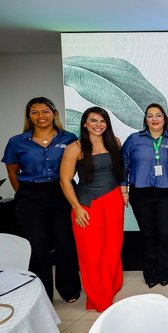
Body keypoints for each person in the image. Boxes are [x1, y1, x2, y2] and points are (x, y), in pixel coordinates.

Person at [2, 97, 81, 302]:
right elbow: (12, 172)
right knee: (38, 248)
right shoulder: (17, 142)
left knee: (65, 244)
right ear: (29, 116)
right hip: (31, 197)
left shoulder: (69, 138)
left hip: (61, 193)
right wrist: (26, 194)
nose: (40, 116)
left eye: (45, 111)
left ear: (54, 113)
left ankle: (69, 290)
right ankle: (43, 294)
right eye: (35, 112)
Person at [59, 107, 126, 312]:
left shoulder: (114, 141)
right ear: (85, 123)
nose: (98, 125)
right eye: (93, 121)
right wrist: (77, 208)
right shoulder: (75, 148)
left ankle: (109, 289)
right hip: (88, 206)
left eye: (102, 120)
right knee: (91, 254)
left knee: (112, 250)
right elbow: (64, 180)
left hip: (113, 201)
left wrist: (123, 194)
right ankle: (99, 298)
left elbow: (119, 171)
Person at [121, 103, 168, 288]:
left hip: (166, 192)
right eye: (150, 116)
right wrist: (124, 189)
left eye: (158, 115)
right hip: (141, 192)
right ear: (145, 119)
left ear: (164, 118)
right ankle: (151, 272)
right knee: (148, 233)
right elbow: (123, 165)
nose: (154, 119)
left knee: (166, 232)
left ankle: (166, 271)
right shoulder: (134, 139)